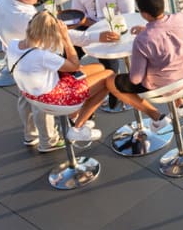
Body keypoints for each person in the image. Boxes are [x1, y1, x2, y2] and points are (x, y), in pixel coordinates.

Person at [0, 0, 97, 150]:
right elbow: (59, 36)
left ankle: (30, 134)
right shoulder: (28, 17)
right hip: (34, 57)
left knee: (25, 96)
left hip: (15, 54)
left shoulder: (1, 2)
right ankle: (48, 140)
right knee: (41, 102)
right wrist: (92, 37)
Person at [7, 11, 115, 141]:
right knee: (109, 76)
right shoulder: (41, 55)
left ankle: (74, 115)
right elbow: (74, 65)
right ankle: (77, 128)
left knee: (100, 68)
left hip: (32, 96)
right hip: (55, 100)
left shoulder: (13, 44)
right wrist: (66, 39)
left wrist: (97, 37)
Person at [104, 0, 183, 128]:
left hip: (162, 87)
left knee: (111, 82)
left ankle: (157, 117)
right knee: (170, 58)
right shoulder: (182, 18)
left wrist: (147, 34)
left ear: (144, 14)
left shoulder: (142, 40)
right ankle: (181, 104)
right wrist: (148, 30)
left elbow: (136, 79)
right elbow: (170, 36)